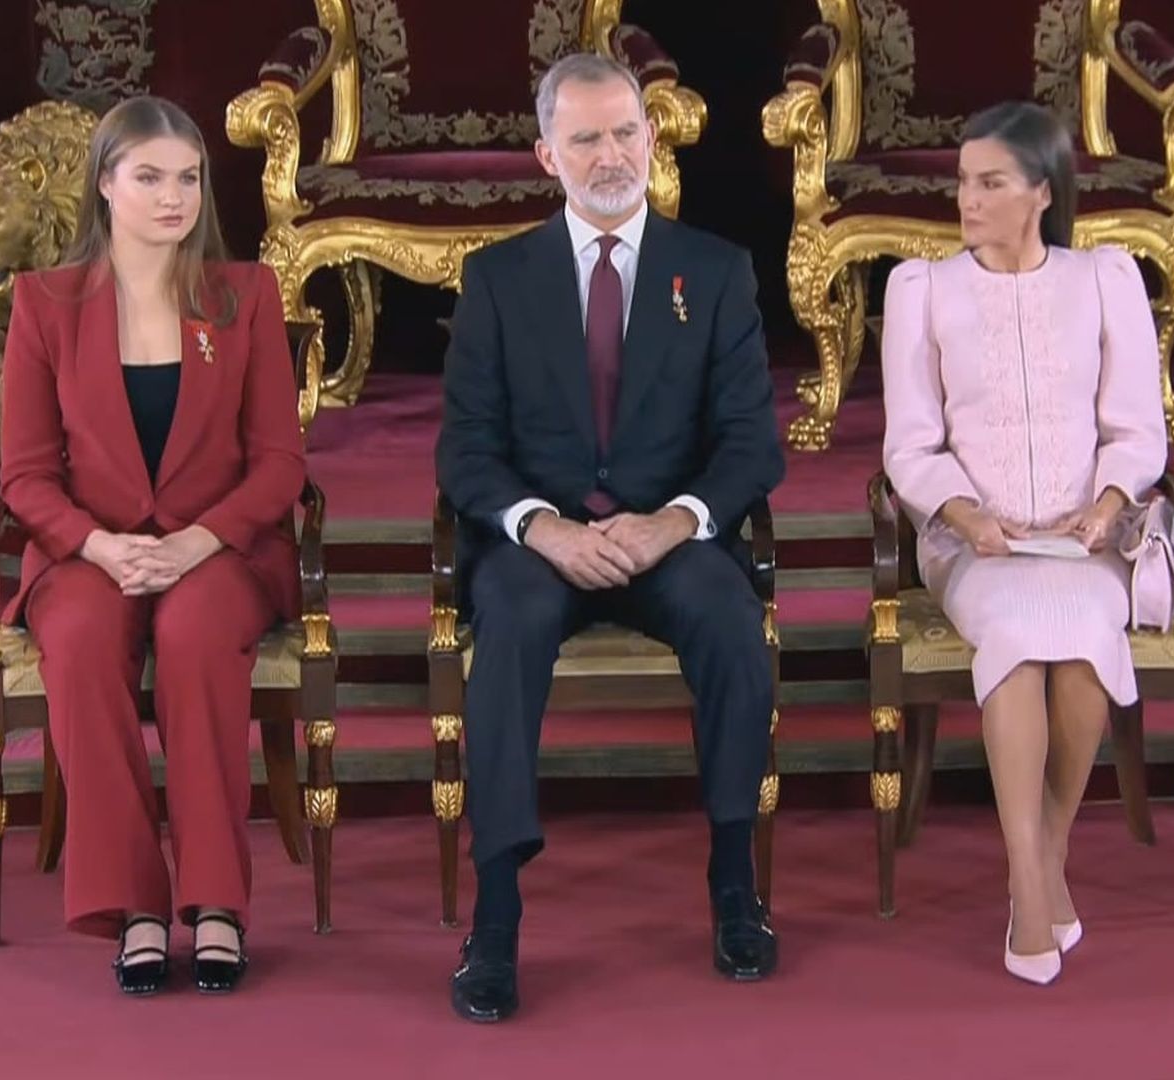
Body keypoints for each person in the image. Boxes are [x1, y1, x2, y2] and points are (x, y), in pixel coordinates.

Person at [435, 53, 784, 1023]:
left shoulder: (714, 271)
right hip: (541, 547)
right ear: (547, 154)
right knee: (505, 625)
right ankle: (496, 916)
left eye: (626, 132)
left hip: (665, 540)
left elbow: (751, 443)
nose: (611, 155)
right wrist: (539, 528)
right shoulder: (497, 278)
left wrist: (676, 522)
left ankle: (735, 884)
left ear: (651, 138)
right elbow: (465, 448)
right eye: (585, 138)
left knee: (732, 621)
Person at [0, 95, 306, 995]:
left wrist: (199, 542)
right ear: (105, 183)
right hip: (87, 553)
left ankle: (215, 903)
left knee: (194, 634)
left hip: (221, 550)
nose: (174, 198)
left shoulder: (244, 295)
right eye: (150, 177)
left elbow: (280, 464)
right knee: (82, 640)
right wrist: (95, 545)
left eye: (189, 178)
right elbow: (25, 475)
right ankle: (134, 904)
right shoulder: (44, 304)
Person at [880, 101, 1170, 985]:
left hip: (1084, 542)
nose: (967, 199)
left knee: (1081, 647)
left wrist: (1109, 502)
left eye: (990, 183)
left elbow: (1138, 429)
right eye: (963, 182)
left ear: (1042, 192)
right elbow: (910, 446)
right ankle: (1033, 884)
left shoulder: (1105, 280)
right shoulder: (922, 290)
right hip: (973, 542)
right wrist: (968, 517)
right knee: (1014, 640)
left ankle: (1042, 858)